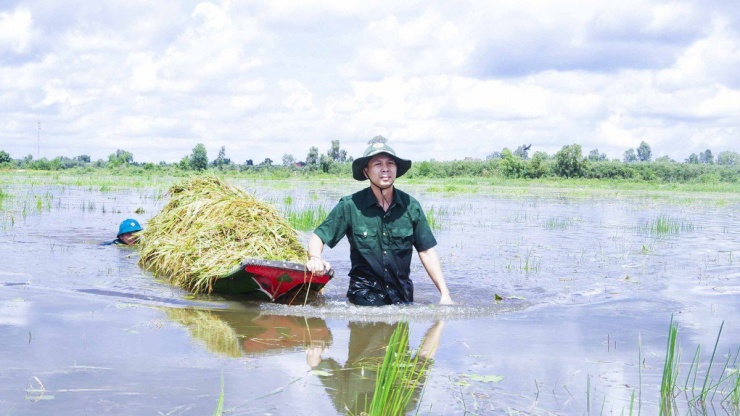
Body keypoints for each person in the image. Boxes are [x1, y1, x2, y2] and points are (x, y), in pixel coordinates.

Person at [306, 142, 453, 305]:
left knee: (403, 327)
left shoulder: (411, 206)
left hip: (402, 295)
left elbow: (426, 251)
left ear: (396, 169)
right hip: (363, 293)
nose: (385, 168)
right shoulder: (350, 205)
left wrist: (444, 294)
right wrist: (315, 258)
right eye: (378, 164)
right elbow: (318, 236)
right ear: (366, 171)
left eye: (390, 163)